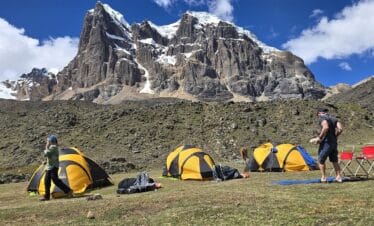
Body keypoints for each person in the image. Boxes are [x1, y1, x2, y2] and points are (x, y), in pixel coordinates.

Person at [310, 108, 343, 183]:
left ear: (319, 113)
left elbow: (326, 127)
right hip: (334, 143)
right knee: (335, 160)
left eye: (317, 115)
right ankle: (338, 177)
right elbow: (340, 129)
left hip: (326, 143)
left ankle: (323, 178)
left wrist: (319, 137)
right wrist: (335, 136)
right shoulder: (334, 119)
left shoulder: (322, 118)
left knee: (321, 160)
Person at [39, 135, 73, 201]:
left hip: (54, 166)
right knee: (47, 181)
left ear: (51, 141)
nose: (47, 142)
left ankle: (68, 191)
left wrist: (46, 146)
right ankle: (46, 196)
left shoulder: (53, 147)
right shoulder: (52, 147)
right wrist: (46, 161)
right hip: (49, 167)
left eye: (47, 141)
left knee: (55, 180)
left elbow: (46, 154)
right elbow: (50, 156)